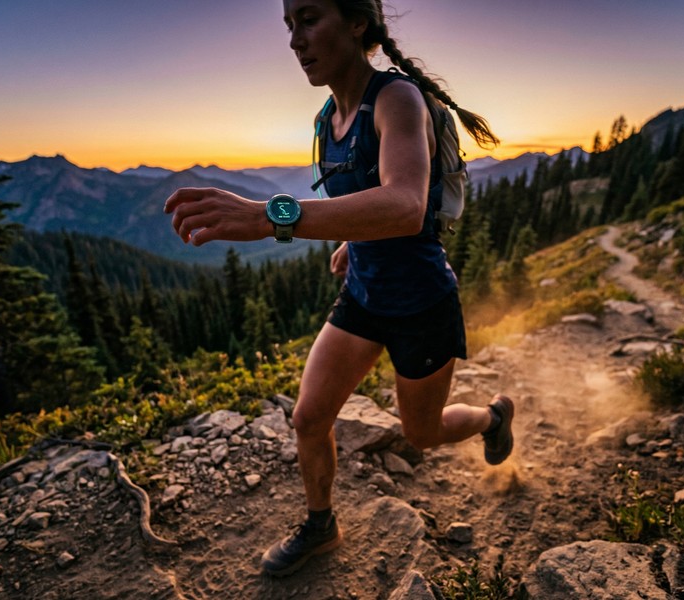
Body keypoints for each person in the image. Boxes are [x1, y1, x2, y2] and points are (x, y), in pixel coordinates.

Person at [163, 0, 515, 577]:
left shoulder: (396, 99)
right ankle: (321, 525)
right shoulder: (328, 119)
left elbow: (405, 204)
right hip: (363, 295)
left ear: (357, 23)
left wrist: (269, 216)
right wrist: (353, 240)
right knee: (309, 418)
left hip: (420, 302)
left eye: (308, 19)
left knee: (421, 434)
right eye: (288, 25)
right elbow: (366, 200)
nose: (295, 40)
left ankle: (492, 418)